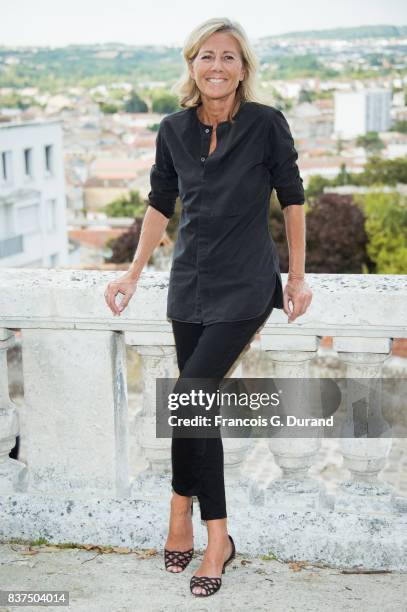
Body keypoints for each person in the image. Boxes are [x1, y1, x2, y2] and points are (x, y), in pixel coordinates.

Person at [104, 17, 313, 598]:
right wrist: (132, 272)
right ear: (191, 65)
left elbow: (293, 200)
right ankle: (214, 534)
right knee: (199, 410)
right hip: (188, 284)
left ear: (243, 68)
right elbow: (159, 204)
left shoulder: (267, 124)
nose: (216, 66)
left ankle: (189, 519)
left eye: (228, 56)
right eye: (205, 56)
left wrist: (296, 278)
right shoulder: (172, 128)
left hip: (247, 285)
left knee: (189, 397)